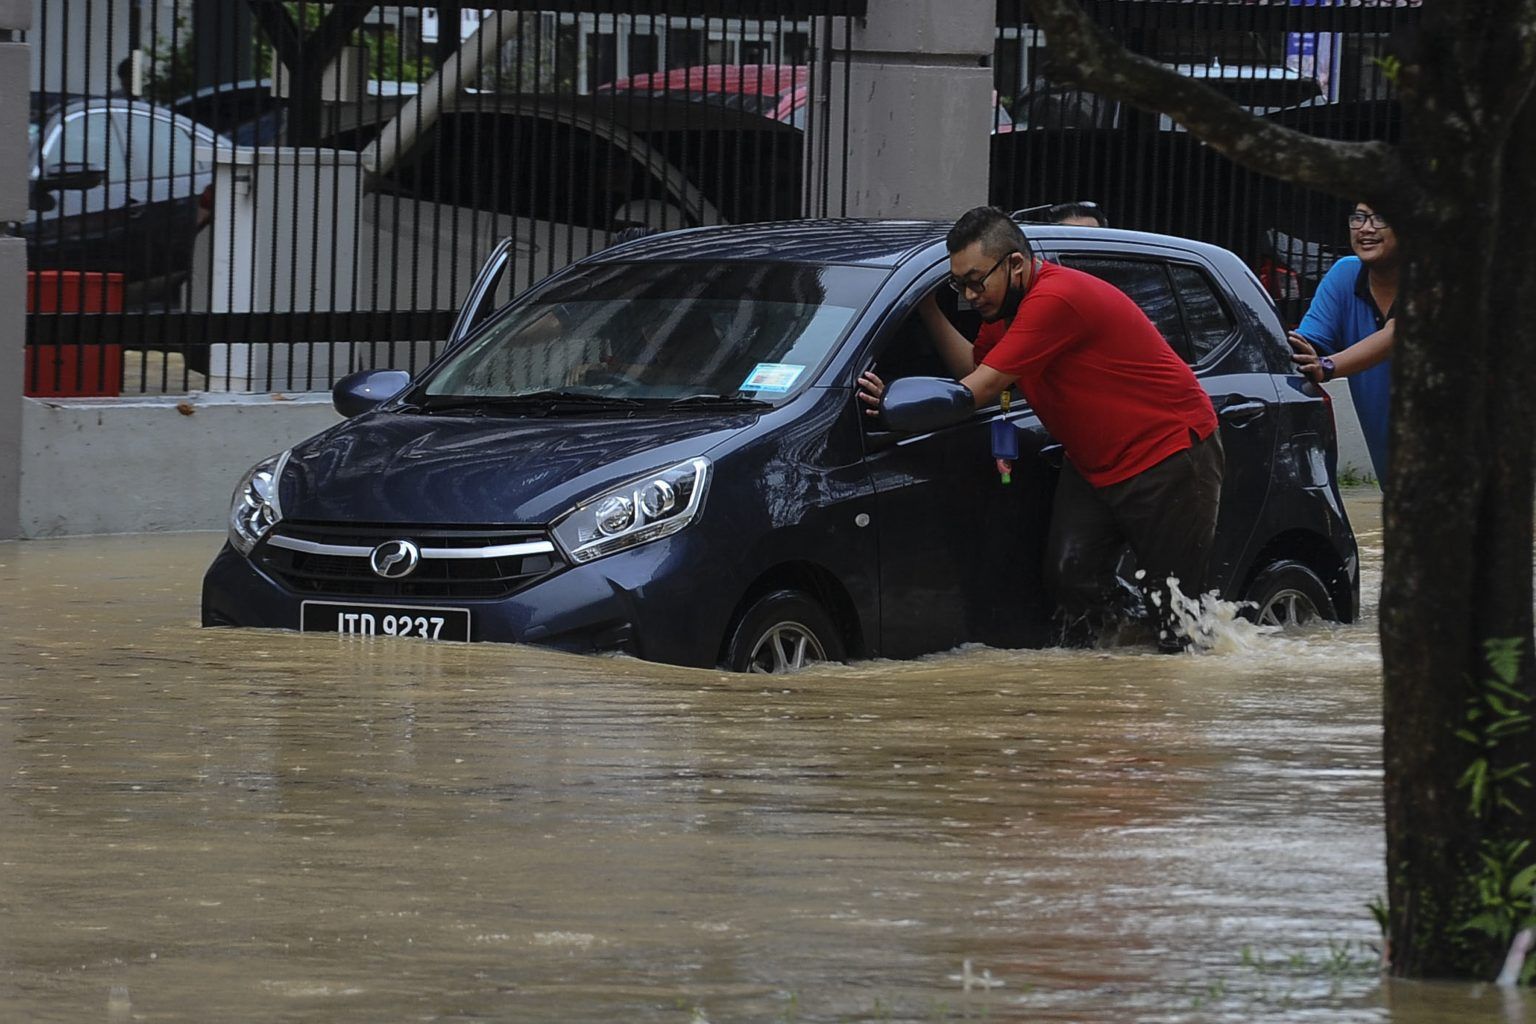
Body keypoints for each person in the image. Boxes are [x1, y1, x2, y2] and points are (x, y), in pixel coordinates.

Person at [857, 206, 1223, 650]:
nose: (970, 295)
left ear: (1015, 264)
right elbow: (975, 367)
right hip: (1093, 465)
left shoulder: (1054, 299)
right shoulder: (1005, 315)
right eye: (960, 285)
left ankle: (1185, 677)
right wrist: (929, 309)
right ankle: (1136, 661)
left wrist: (896, 405)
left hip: (1168, 457)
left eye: (977, 281)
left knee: (1178, 612)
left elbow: (979, 390)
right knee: (1071, 578)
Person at [1286, 202, 1398, 484]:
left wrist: (1327, 365)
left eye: (1380, 218)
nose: (1366, 228)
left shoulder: (1439, 280)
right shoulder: (1344, 276)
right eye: (1358, 218)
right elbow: (1305, 343)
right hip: (1395, 474)